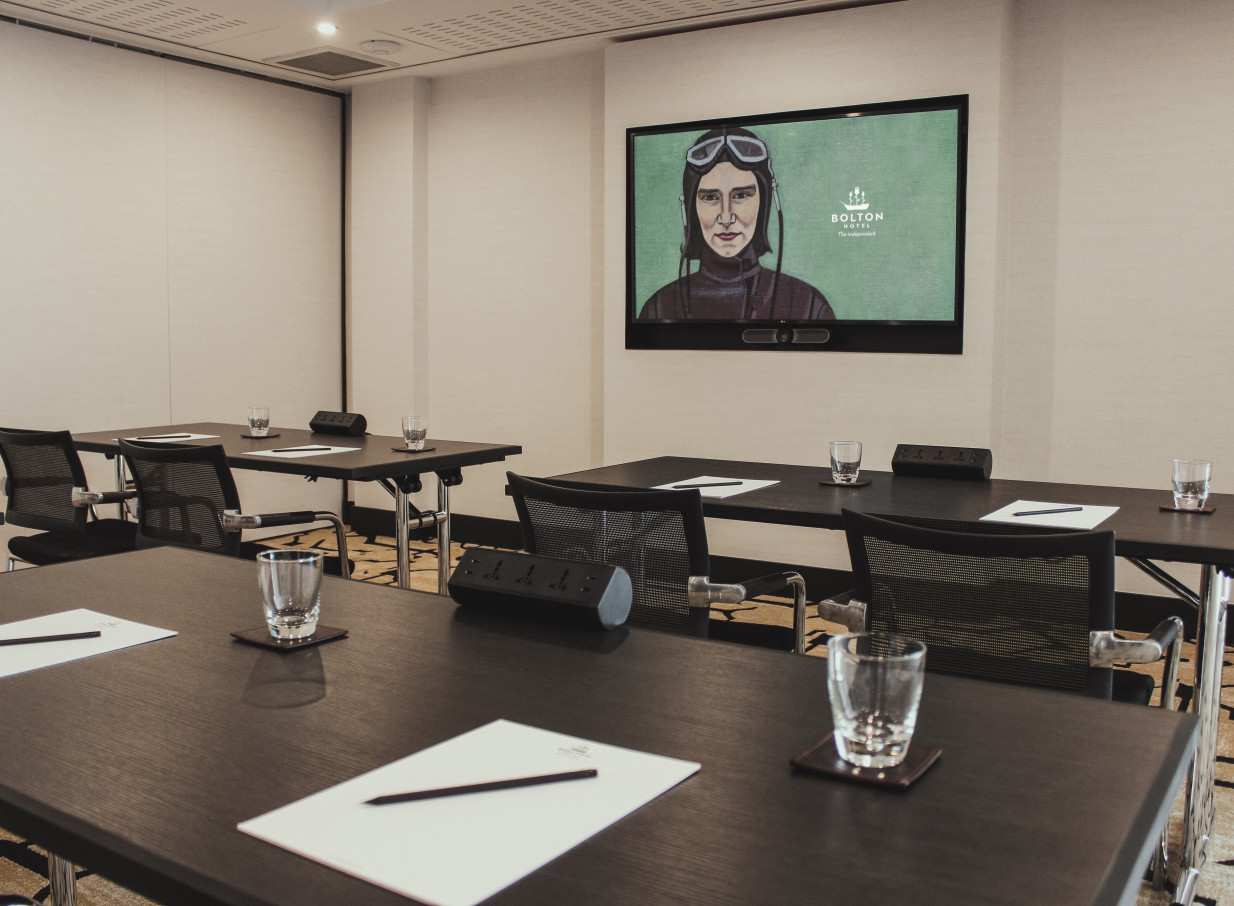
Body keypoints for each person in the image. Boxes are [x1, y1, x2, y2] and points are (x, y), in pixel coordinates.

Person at [639, 126, 835, 321]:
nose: (726, 217)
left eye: (741, 195)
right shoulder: (658, 308)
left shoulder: (809, 305)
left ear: (764, 203)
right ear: (690, 210)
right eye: (710, 197)